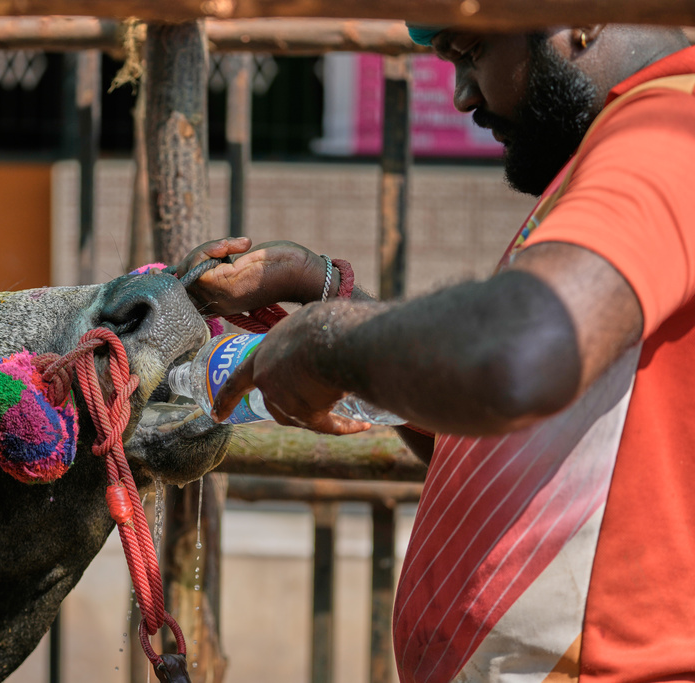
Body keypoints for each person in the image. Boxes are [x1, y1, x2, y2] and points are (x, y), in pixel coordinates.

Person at [176, 23, 695, 682]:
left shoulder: (666, 134)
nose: (460, 97)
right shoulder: (624, 141)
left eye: (472, 51)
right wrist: (325, 292)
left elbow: (516, 353)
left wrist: (324, 343)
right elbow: (504, 433)